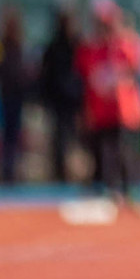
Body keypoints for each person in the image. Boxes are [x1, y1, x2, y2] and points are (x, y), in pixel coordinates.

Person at [77, 1, 140, 205]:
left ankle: (133, 188)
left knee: (127, 149)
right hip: (101, 110)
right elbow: (86, 75)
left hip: (125, 110)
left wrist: (117, 75)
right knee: (105, 151)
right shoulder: (91, 48)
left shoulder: (127, 43)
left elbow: (138, 66)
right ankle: (109, 187)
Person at [37, 10, 84, 183]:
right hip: (61, 100)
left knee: (74, 137)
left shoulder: (77, 45)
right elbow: (46, 74)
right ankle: (62, 171)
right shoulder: (55, 46)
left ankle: (76, 172)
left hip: (74, 100)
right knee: (61, 137)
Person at [0, 7, 31, 184]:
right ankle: (7, 170)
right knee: (7, 134)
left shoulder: (20, 46)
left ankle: (15, 169)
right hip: (7, 95)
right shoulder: (3, 46)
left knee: (16, 134)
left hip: (17, 95)